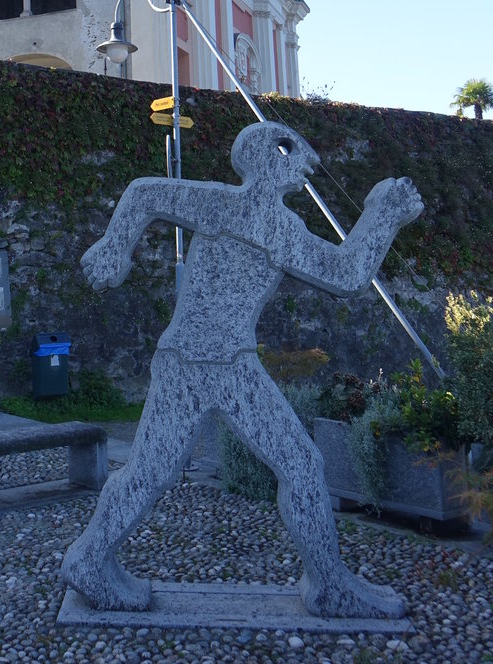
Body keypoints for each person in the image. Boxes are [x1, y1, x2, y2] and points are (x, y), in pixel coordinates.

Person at [61, 121, 422, 618]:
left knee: (300, 465)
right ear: (268, 159)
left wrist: (384, 216)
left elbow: (347, 274)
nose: (309, 164)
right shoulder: (223, 206)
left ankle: (331, 583)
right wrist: (112, 247)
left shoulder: (283, 229)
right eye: (293, 152)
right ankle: (89, 560)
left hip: (233, 366)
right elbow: (144, 193)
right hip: (189, 363)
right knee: (151, 471)